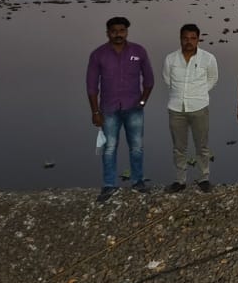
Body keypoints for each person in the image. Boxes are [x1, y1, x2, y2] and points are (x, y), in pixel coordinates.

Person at [86, 16, 154, 202]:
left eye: (121, 31)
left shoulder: (138, 51)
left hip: (134, 108)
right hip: (108, 109)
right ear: (108, 32)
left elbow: (149, 80)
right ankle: (109, 185)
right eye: (114, 31)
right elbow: (92, 86)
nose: (118, 34)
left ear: (126, 32)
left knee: (137, 147)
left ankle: (138, 182)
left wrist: (142, 102)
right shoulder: (98, 54)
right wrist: (95, 112)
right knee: (109, 148)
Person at [162, 23, 218, 194]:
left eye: (193, 38)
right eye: (185, 38)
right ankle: (180, 180)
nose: (189, 41)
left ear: (198, 39)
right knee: (179, 147)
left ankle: (204, 178)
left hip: (199, 107)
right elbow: (167, 79)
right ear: (180, 38)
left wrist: (198, 92)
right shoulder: (170, 59)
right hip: (176, 108)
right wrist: (182, 93)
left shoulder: (208, 58)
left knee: (202, 146)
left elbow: (213, 78)